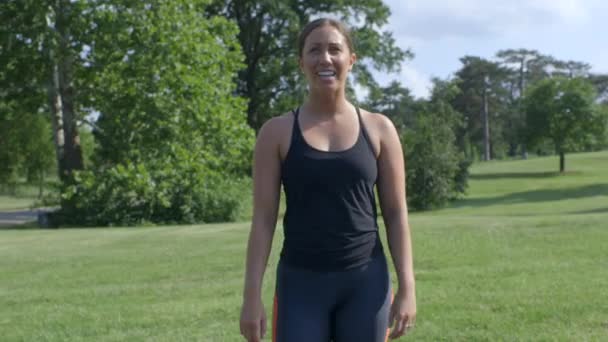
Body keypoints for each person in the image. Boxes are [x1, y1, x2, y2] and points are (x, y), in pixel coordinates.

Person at [239, 17, 416, 342]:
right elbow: (263, 221)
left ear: (351, 59)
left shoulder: (379, 129)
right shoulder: (275, 133)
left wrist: (407, 287)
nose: (325, 58)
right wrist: (251, 297)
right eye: (314, 50)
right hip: (300, 285)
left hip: (366, 284)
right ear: (301, 62)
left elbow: (395, 214)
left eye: (335, 49)